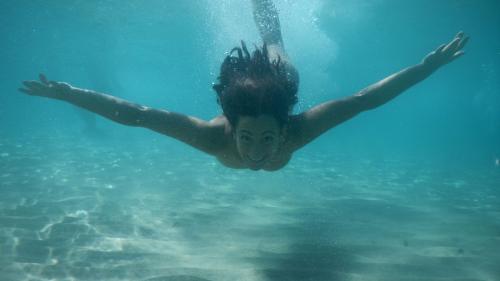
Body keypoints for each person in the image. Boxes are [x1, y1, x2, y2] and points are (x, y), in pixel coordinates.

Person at [19, 0, 469, 171]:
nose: (256, 151)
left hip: (281, 85)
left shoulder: (297, 127)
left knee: (273, 43)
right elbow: (136, 115)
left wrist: (426, 67)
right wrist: (67, 92)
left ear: (284, 128)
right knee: (265, 51)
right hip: (249, 94)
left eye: (267, 138)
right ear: (231, 128)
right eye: (249, 138)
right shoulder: (213, 135)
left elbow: (365, 100)